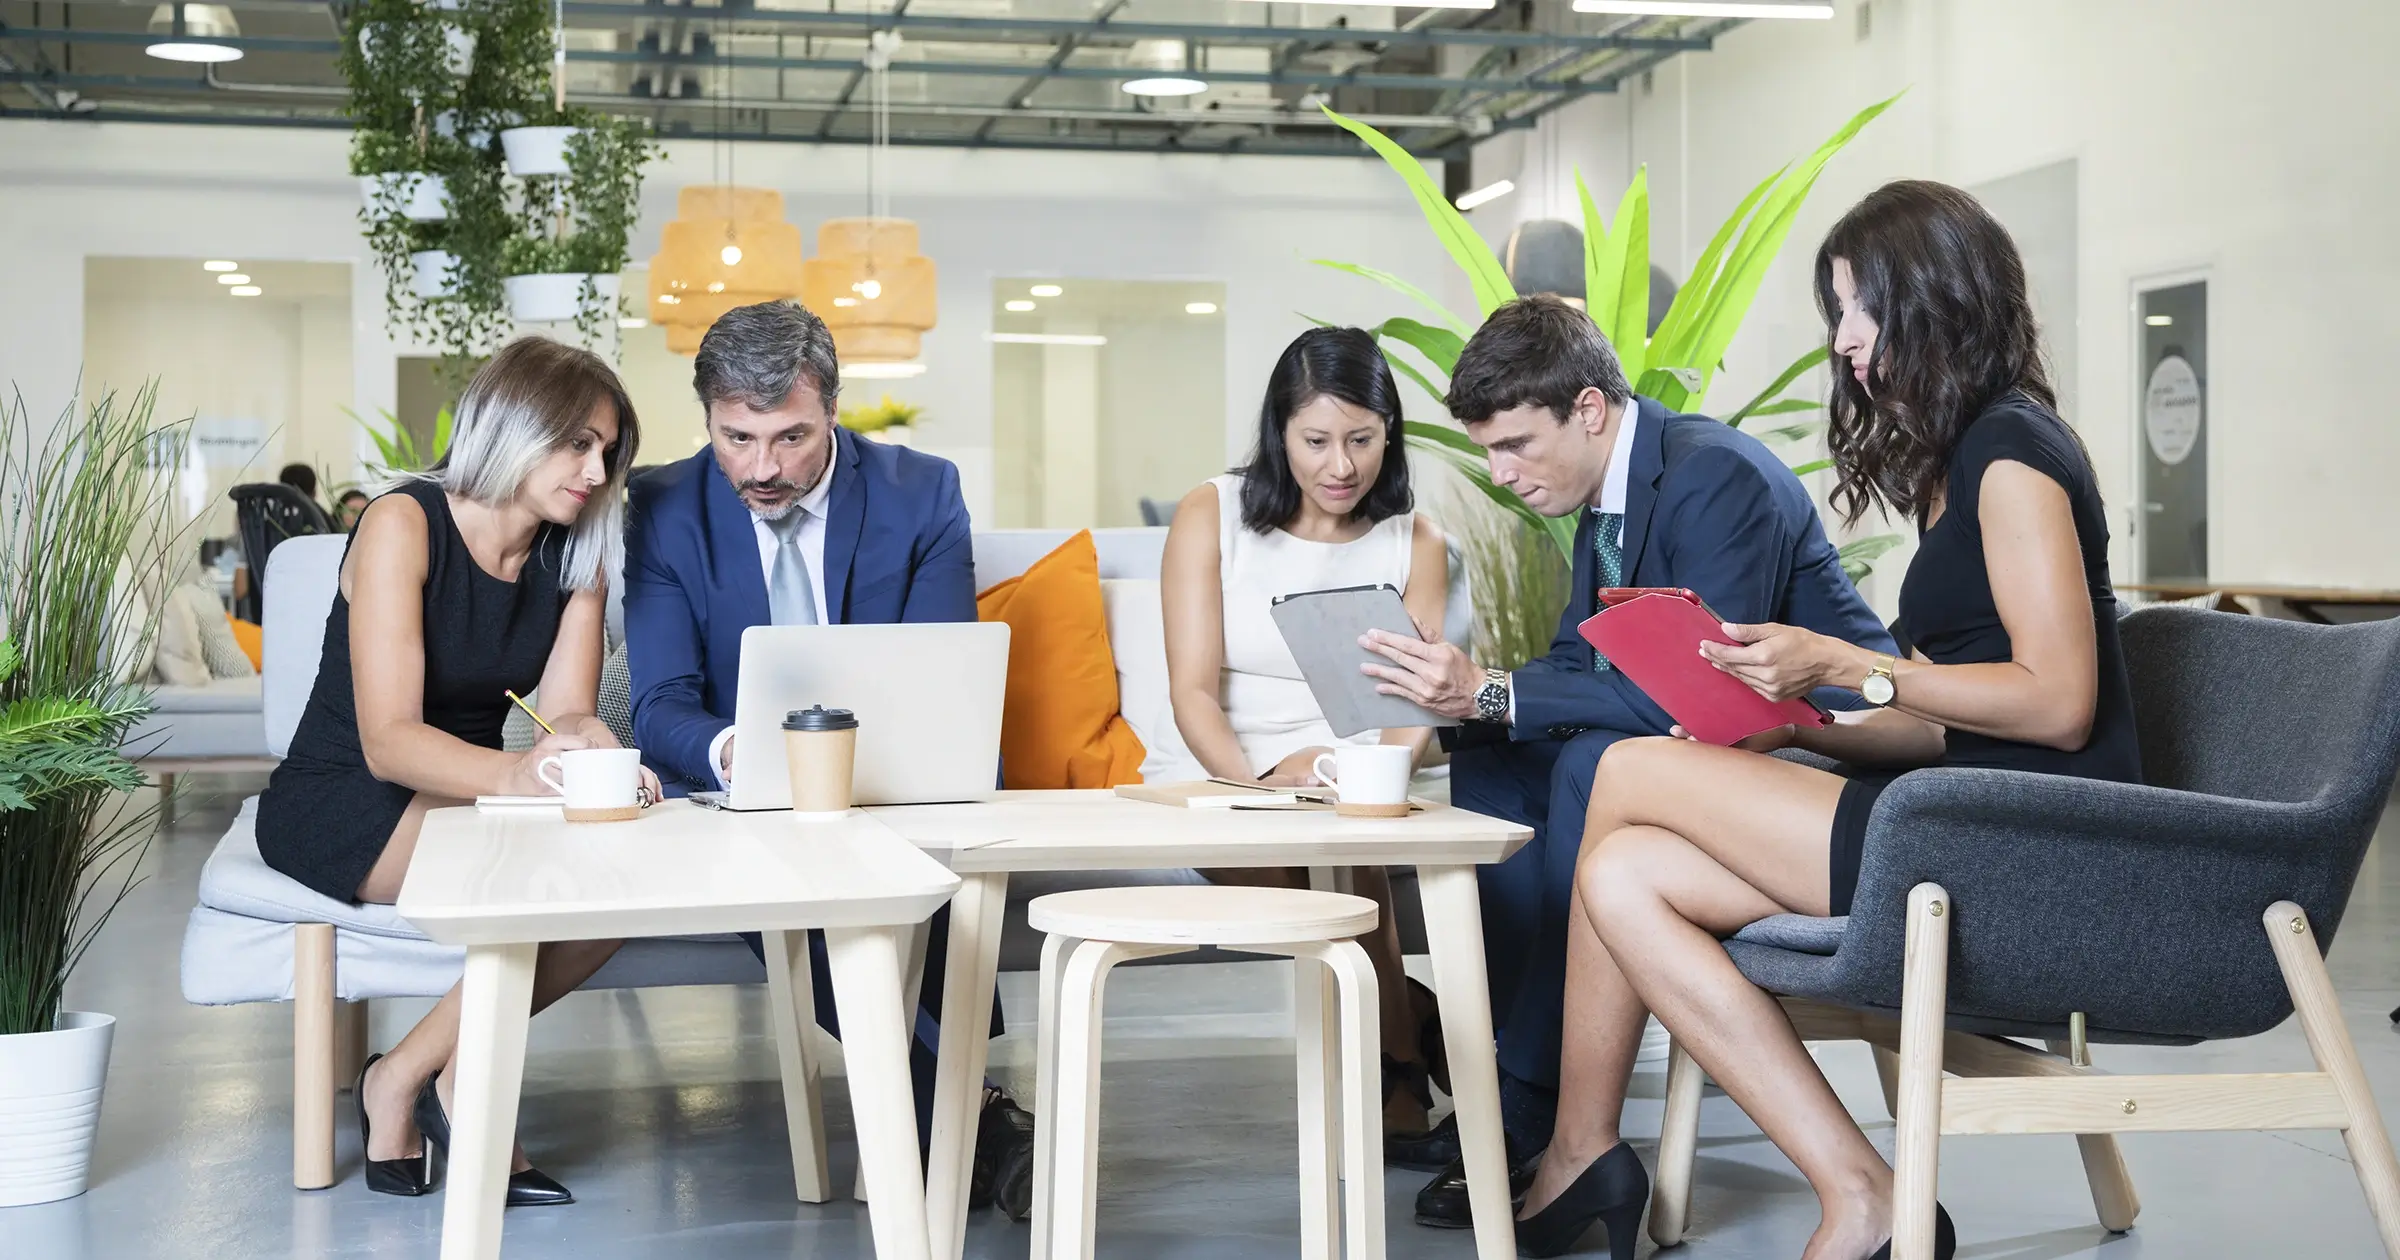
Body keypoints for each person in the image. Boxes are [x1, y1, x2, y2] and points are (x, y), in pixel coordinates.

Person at [1515, 180, 2143, 1260]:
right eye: (1839, 313)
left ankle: (1578, 1151)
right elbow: (1952, 721)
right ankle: (1860, 1194)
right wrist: (1805, 724)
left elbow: (2057, 701)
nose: (1844, 341)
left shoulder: (2015, 457)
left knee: (1623, 773)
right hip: (1959, 810)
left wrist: (1856, 665)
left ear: (1935, 301)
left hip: (2030, 846)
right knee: (1624, 878)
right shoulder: (1957, 466)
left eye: (1860, 310)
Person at [1356, 294, 1895, 1228]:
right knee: (1494, 758)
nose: (1500, 473)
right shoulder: (1606, 494)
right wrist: (1464, 702)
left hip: (1828, 770)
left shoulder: (1712, 477)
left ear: (1590, 410)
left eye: (1516, 444)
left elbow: (1698, 695)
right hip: (1703, 756)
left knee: (1585, 766)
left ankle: (1526, 1105)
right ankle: (1516, 1073)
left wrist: (1489, 688)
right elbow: (1582, 660)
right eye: (1488, 450)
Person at [619, 299, 1038, 1216]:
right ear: (707, 422)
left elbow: (939, 678)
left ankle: (955, 1124)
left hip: (896, 787)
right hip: (744, 806)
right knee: (811, 888)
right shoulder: (661, 507)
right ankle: (973, 1117)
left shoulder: (920, 492)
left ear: (833, 411)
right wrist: (739, 753)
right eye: (735, 438)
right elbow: (659, 706)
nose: (761, 469)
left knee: (914, 878)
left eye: (789, 438)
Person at [254, 335, 654, 1205]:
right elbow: (388, 741)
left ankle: (408, 1076)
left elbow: (569, 708)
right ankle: (449, 1094)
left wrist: (603, 758)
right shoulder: (402, 522)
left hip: (460, 799)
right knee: (542, 885)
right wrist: (524, 780)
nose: (595, 469)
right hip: (345, 796)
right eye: (577, 442)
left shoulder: (573, 549)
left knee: (622, 884)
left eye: (608, 451)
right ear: (514, 425)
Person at [1158, 325, 1453, 1146]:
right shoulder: (1210, 513)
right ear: (1278, 432)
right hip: (1224, 772)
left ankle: (1395, 1050)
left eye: (1362, 439)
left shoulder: (1414, 539)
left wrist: (1368, 779)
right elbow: (1191, 694)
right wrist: (1262, 788)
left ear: (1389, 432)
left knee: (1350, 834)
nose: (1341, 466)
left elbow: (1411, 708)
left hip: (1360, 772)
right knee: (1341, 848)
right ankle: (1410, 1035)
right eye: (1316, 440)